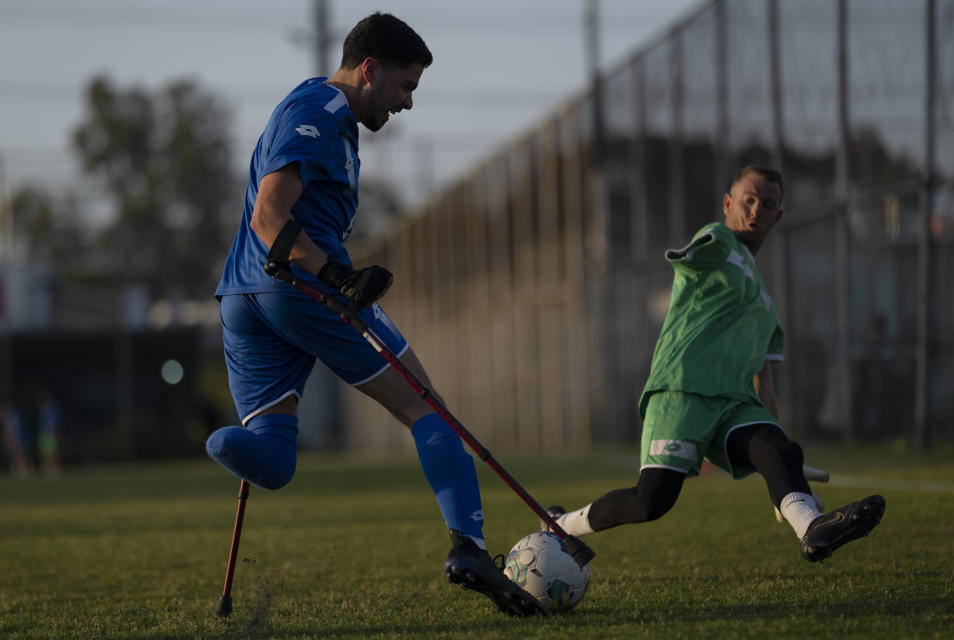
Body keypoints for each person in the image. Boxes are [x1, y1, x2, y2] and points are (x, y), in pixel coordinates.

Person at [205, 13, 541, 617]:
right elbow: (268, 215)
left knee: (273, 459)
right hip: (298, 288)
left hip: (241, 298)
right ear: (368, 70)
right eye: (404, 86)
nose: (408, 103)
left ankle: (228, 442)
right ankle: (468, 547)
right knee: (426, 406)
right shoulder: (323, 111)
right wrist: (339, 278)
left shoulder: (321, 116)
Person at [543, 166, 885, 563]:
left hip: (734, 404)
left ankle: (812, 527)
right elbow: (697, 250)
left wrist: (782, 466)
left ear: (779, 217)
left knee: (781, 452)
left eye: (768, 204)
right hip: (682, 391)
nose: (756, 210)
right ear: (728, 204)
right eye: (749, 201)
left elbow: (766, 386)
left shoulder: (767, 308)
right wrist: (696, 250)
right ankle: (559, 525)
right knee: (651, 501)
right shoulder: (720, 241)